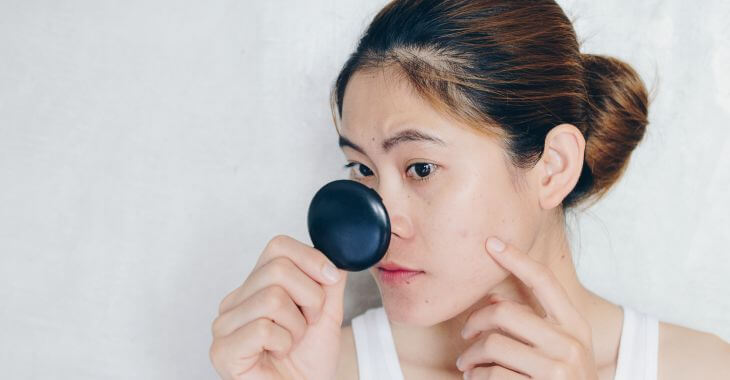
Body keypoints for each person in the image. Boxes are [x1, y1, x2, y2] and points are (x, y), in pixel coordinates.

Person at [209, 0, 730, 379]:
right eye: (361, 170)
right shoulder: (315, 369)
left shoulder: (700, 370)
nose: (383, 225)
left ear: (552, 166)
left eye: (421, 169)